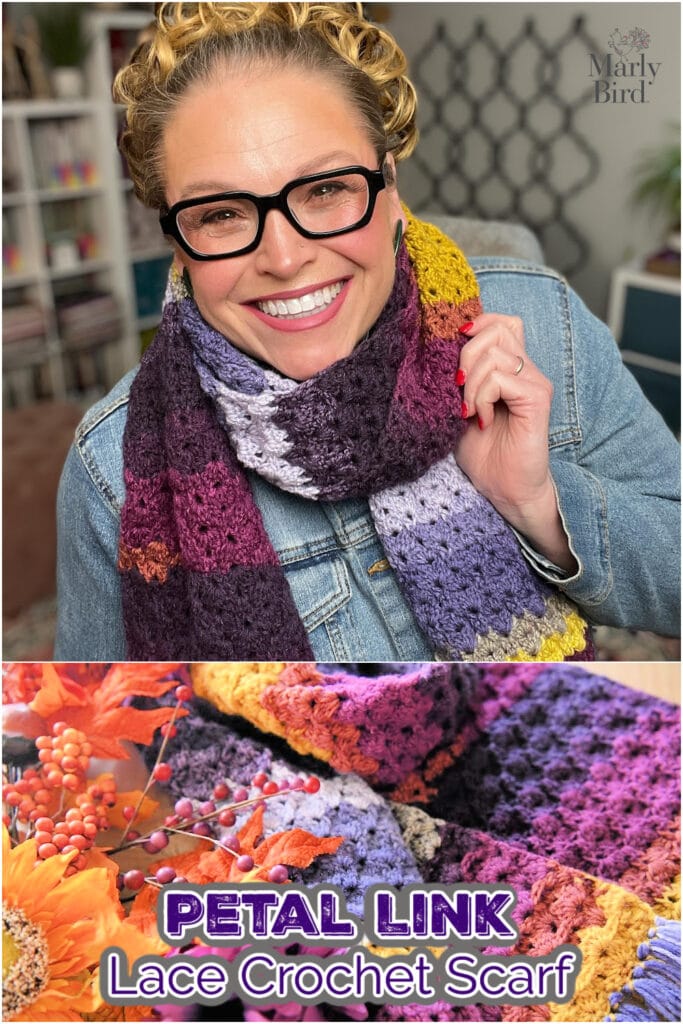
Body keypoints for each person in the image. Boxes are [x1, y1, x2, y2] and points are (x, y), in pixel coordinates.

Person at [55, 1, 680, 662]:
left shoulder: (541, 324)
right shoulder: (110, 468)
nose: (285, 258)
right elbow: (114, 734)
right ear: (179, 244)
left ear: (388, 188)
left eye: (324, 191)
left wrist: (537, 503)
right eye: (221, 214)